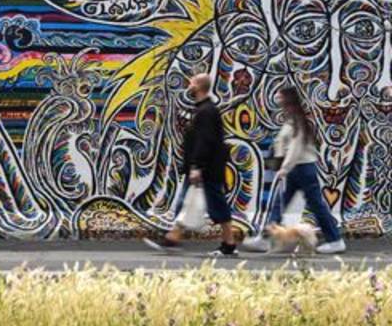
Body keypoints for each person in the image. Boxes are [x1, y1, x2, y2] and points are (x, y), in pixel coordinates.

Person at [241, 86, 346, 254]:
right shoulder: (292, 119)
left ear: (288, 99)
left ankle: (335, 241)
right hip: (296, 169)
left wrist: (284, 168)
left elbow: (295, 148)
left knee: (315, 206)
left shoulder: (297, 121)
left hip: (302, 168)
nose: (277, 99)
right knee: (279, 204)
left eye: (280, 97)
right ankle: (265, 239)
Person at [145, 74, 240, 256]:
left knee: (217, 205)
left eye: (192, 82)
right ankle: (172, 239)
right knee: (187, 202)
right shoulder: (204, 110)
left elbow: (205, 141)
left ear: (199, 86)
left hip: (206, 169)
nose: (189, 84)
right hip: (202, 168)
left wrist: (197, 166)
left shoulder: (206, 112)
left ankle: (228, 244)